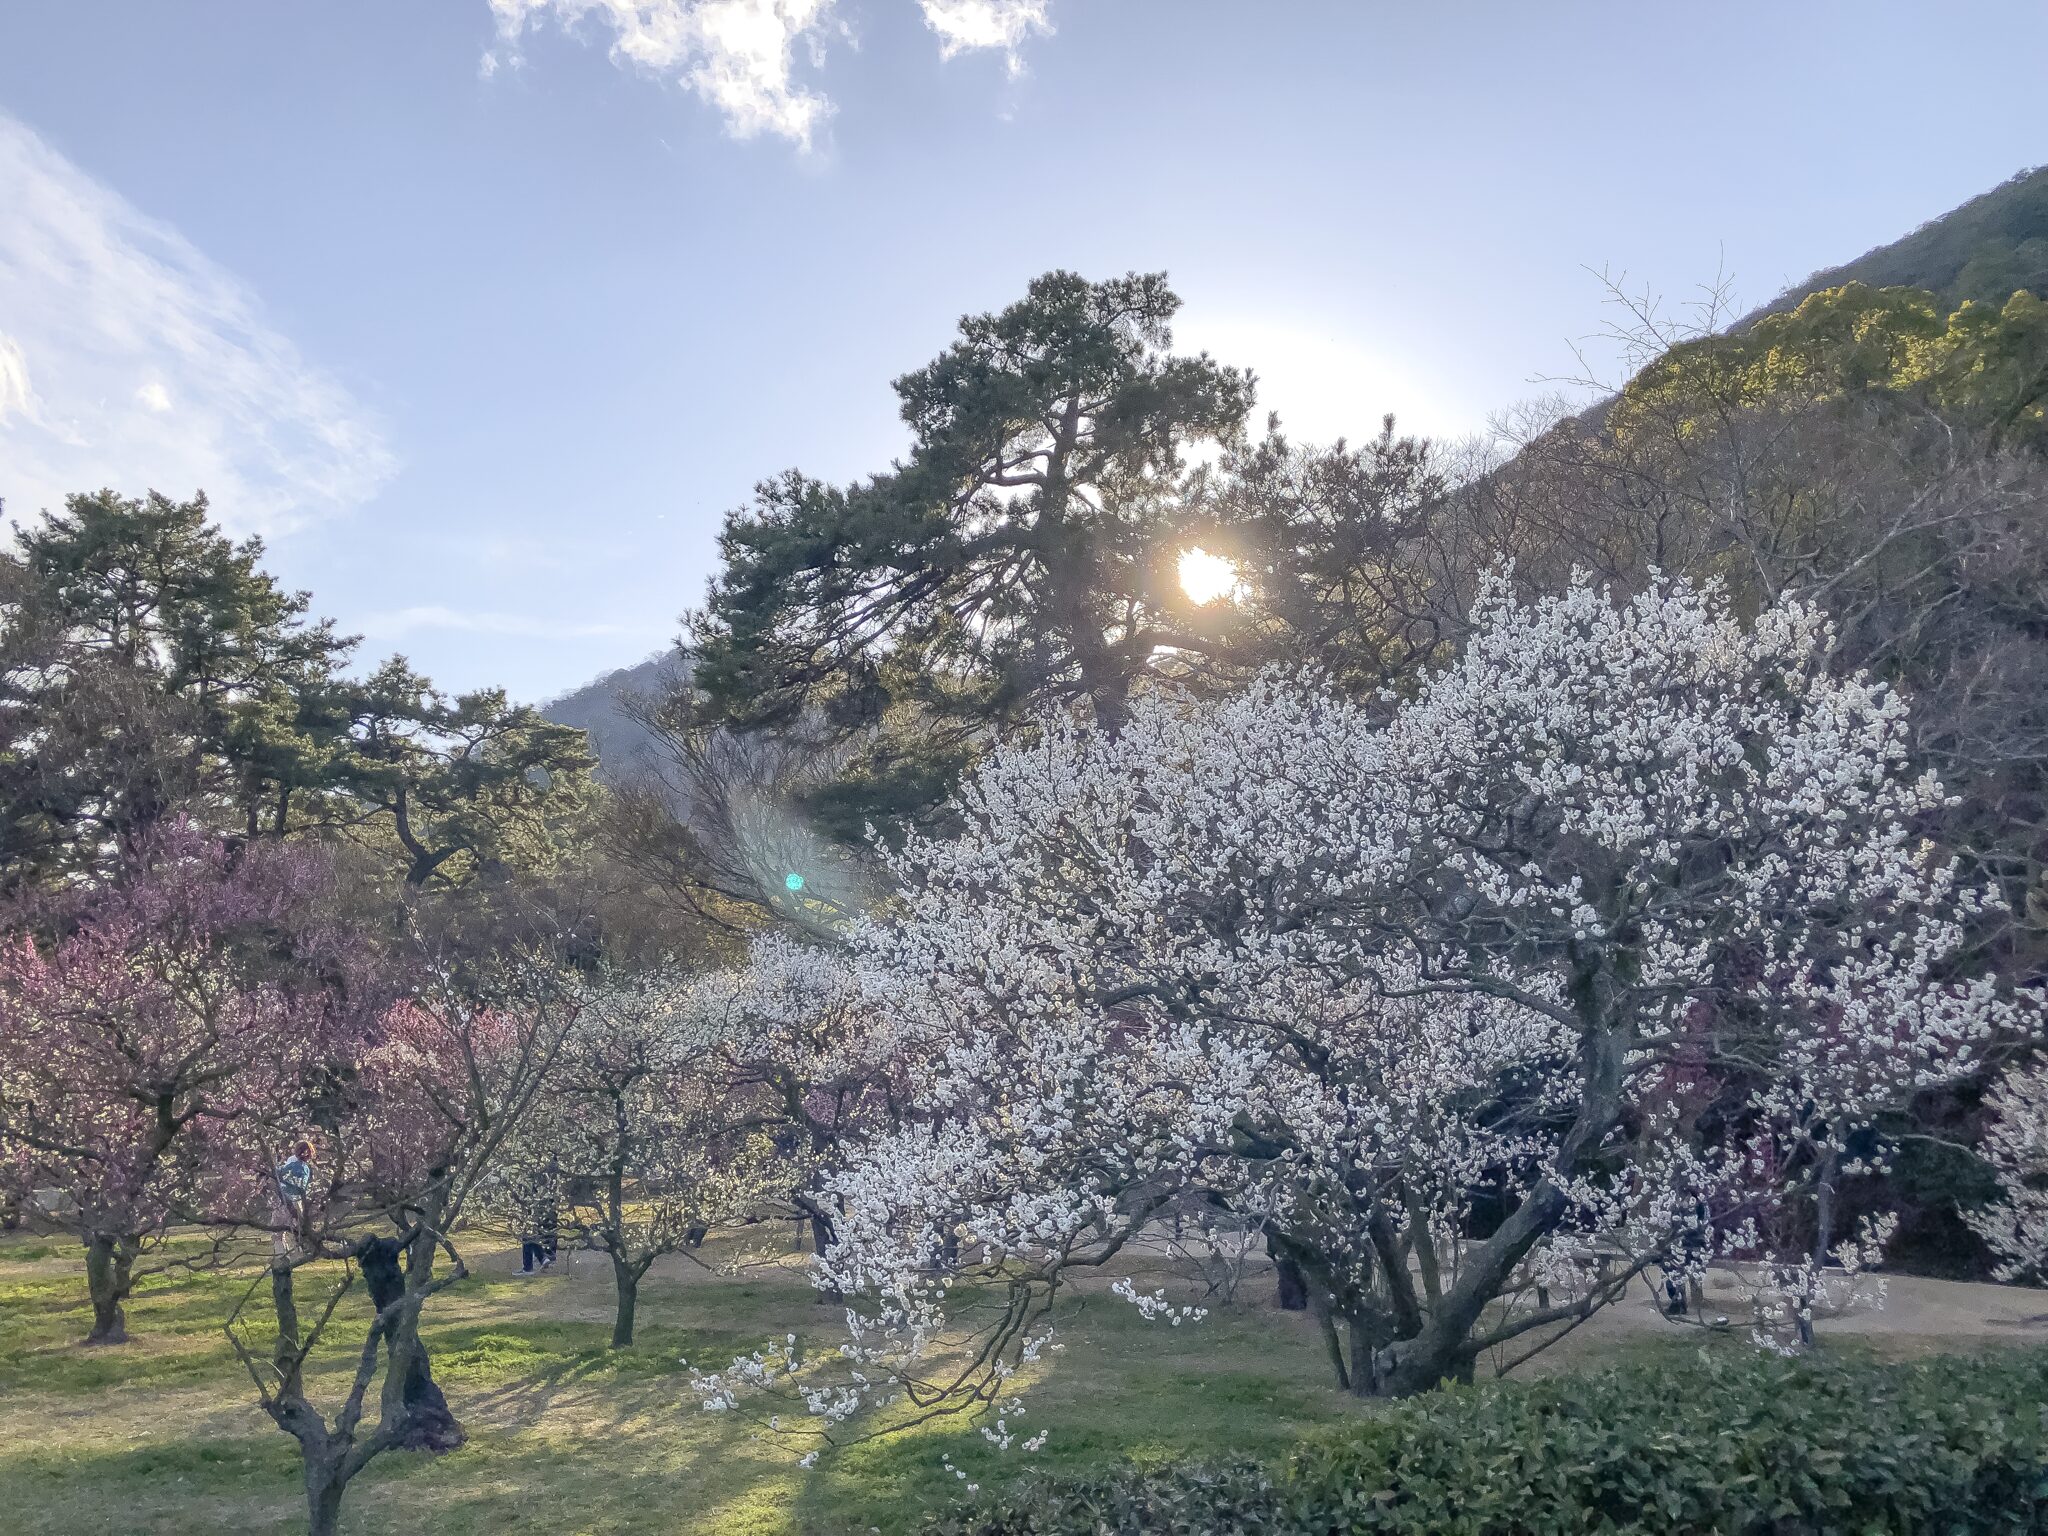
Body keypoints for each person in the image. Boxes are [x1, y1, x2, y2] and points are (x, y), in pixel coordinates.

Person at [273, 1139, 315, 1259]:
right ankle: (293, 1255)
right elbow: (301, 1187)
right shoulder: (303, 1167)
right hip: (293, 1201)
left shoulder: (296, 1165)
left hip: (285, 1200)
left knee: (281, 1230)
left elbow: (279, 1175)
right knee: (292, 1230)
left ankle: (283, 1256)